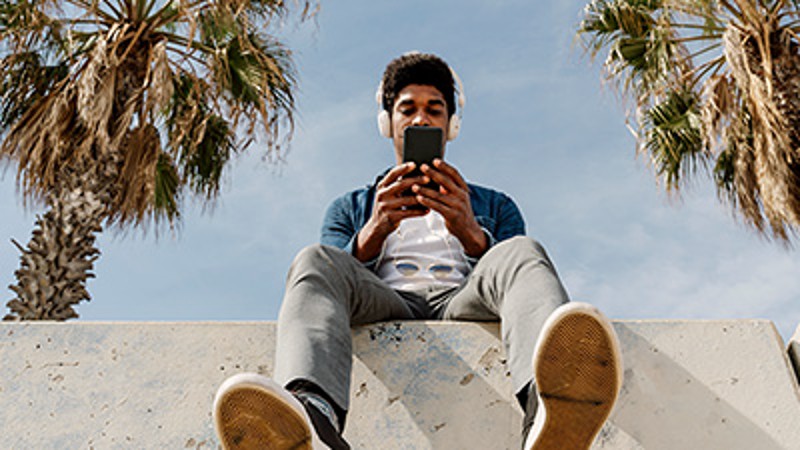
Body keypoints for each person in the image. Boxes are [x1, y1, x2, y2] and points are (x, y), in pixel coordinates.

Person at [212, 52, 623, 450]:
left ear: (451, 125)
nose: (421, 119)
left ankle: (551, 415)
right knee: (312, 259)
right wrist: (375, 229)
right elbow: (323, 285)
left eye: (435, 110)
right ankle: (314, 422)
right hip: (386, 301)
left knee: (522, 250)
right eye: (407, 109)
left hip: (460, 302)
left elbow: (513, 278)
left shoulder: (496, 205)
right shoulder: (350, 207)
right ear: (387, 123)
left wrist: (470, 232)